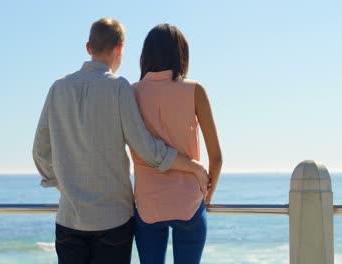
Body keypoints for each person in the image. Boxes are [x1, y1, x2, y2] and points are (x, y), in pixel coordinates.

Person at [33, 18, 210, 264]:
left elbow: (40, 151)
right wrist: (194, 167)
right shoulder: (119, 87)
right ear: (120, 48)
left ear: (88, 47)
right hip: (113, 220)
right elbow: (147, 149)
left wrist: (61, 185)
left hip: (69, 218)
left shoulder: (58, 88)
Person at [130, 24, 223, 264]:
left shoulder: (131, 93)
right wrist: (207, 197)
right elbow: (217, 158)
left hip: (148, 205)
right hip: (189, 204)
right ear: (182, 54)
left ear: (146, 55)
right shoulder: (195, 90)